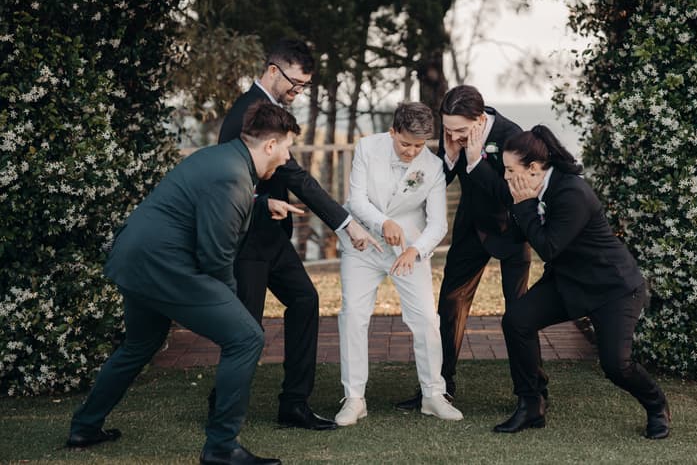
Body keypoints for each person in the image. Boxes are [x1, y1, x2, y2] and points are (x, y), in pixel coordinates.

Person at [66, 100, 299, 465]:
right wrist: (232, 308)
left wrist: (260, 205)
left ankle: (85, 426)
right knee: (246, 337)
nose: (287, 158)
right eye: (286, 148)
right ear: (270, 145)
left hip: (135, 260)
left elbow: (202, 205)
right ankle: (222, 447)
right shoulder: (233, 176)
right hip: (162, 265)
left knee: (140, 344)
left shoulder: (222, 159)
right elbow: (215, 257)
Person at [216, 38, 379, 431]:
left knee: (305, 300)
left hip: (274, 239)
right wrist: (346, 223)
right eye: (296, 83)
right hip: (247, 241)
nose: (299, 91)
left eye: (305, 86)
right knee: (245, 328)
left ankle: (294, 404)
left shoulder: (270, 109)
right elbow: (244, 181)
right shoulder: (244, 115)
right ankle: (222, 407)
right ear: (273, 70)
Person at [495, 124, 670, 439]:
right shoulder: (529, 190)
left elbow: (548, 247)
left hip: (613, 287)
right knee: (517, 320)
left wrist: (524, 206)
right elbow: (521, 233)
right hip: (567, 280)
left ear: (533, 168)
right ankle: (531, 403)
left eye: (510, 170)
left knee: (616, 365)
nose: (506, 177)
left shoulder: (572, 193)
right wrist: (520, 207)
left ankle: (657, 406)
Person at [396, 85, 547, 410]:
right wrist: (450, 156)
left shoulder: (512, 135)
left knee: (519, 312)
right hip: (471, 227)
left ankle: (534, 390)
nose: (454, 135)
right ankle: (439, 386)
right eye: (448, 129)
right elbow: (439, 179)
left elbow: (511, 195)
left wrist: (476, 161)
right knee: (450, 304)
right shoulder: (453, 134)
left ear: (479, 120)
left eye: (460, 131)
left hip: (511, 230)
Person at [334, 102, 463, 426]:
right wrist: (383, 223)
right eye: (406, 144)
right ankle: (354, 398)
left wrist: (415, 250)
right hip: (362, 244)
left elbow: (438, 223)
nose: (411, 152)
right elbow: (357, 200)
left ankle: (433, 395)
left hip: (408, 249)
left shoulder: (433, 167)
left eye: (419, 146)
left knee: (426, 319)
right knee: (353, 316)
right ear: (393, 131)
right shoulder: (366, 148)